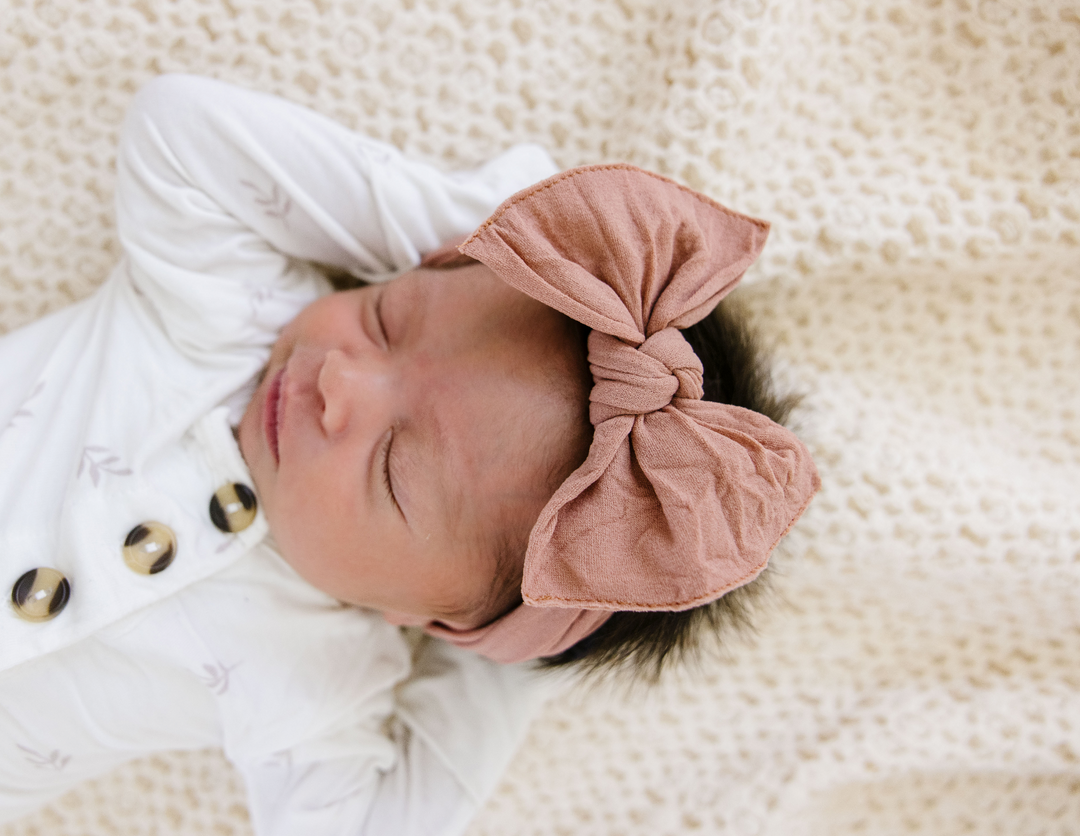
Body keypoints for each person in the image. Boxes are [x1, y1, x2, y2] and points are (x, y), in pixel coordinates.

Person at [0, 74, 818, 833]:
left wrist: (513, 662)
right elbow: (176, 128)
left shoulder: (318, 685)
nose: (340, 381)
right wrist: (501, 235)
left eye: (394, 467)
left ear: (435, 616)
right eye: (391, 315)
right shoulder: (221, 317)